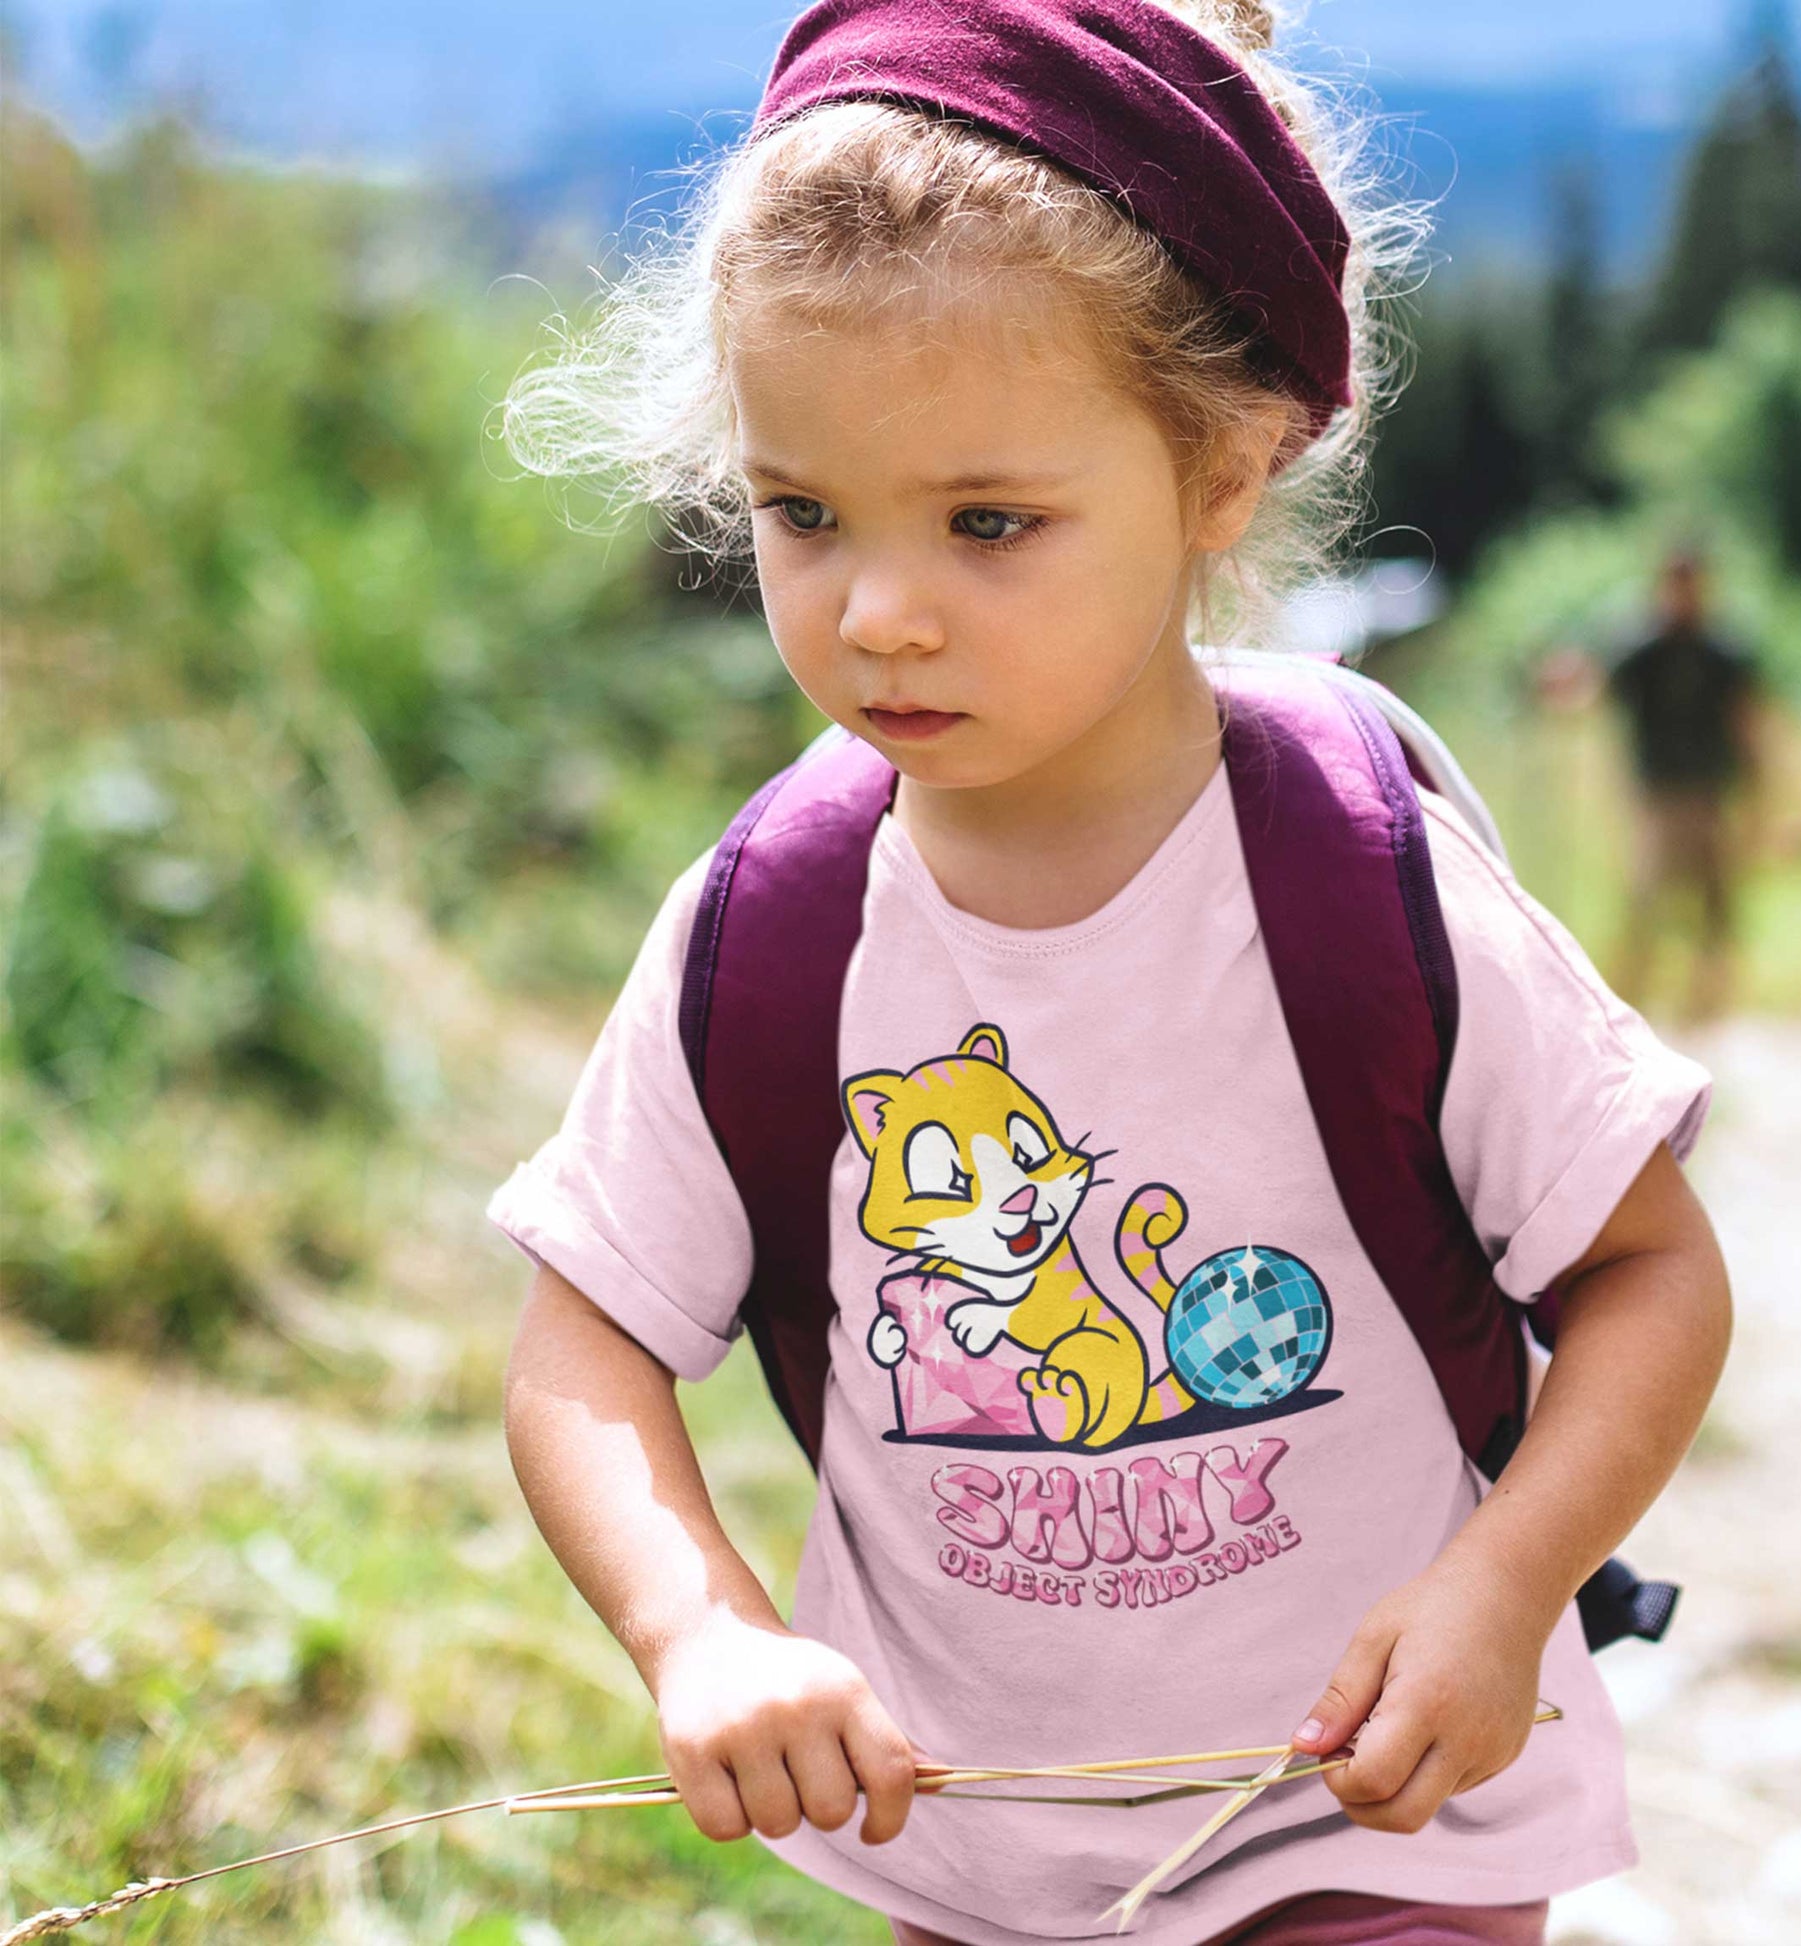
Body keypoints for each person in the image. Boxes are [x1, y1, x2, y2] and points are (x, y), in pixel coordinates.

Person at [487, 3, 1734, 1942]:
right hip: (971, 1855)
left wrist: (1503, 1587)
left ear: (1220, 469)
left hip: (1377, 1823)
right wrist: (702, 1629)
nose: (877, 610)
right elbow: (583, 1345)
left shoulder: (1357, 875)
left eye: (988, 523)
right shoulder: (775, 918)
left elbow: (1650, 1276)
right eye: (802, 513)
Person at [1605, 550, 1763, 1022]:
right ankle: (1631, 1002)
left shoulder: (1722, 653)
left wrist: (1758, 796)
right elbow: (1600, 695)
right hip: (1659, 798)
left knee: (1716, 904)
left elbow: (1747, 722)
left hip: (1710, 794)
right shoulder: (1642, 652)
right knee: (1646, 901)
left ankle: (1706, 1008)